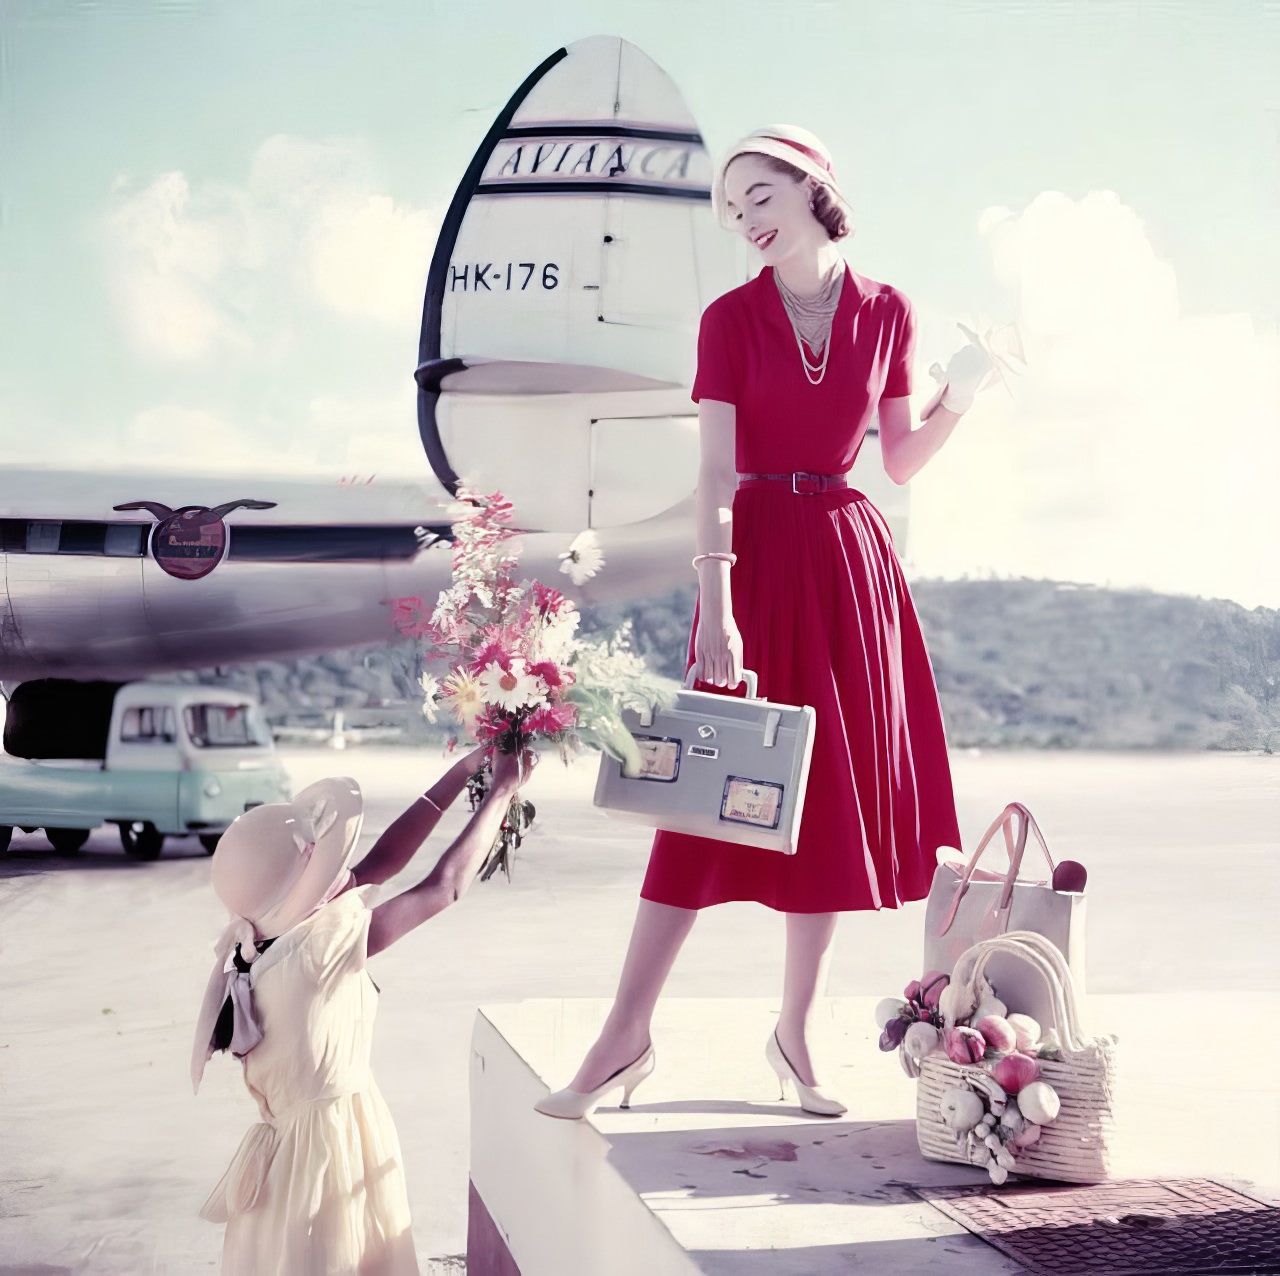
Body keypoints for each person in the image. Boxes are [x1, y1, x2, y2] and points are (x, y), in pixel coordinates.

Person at [535, 125, 995, 1122]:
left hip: (846, 557)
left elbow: (901, 459)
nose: (743, 218)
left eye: (757, 194)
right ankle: (623, 1035)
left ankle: (794, 1038)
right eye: (729, 207)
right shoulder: (728, 320)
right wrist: (716, 605)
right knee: (696, 804)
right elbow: (711, 475)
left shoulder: (885, 311)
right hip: (753, 561)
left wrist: (963, 391)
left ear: (810, 184)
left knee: (824, 803)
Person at [192, 745, 532, 1275]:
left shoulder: (259, 942)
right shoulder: (316, 949)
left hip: (292, 1152)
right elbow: (444, 888)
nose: (342, 871)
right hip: (331, 1151)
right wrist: (502, 792)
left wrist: (464, 772)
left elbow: (385, 862)